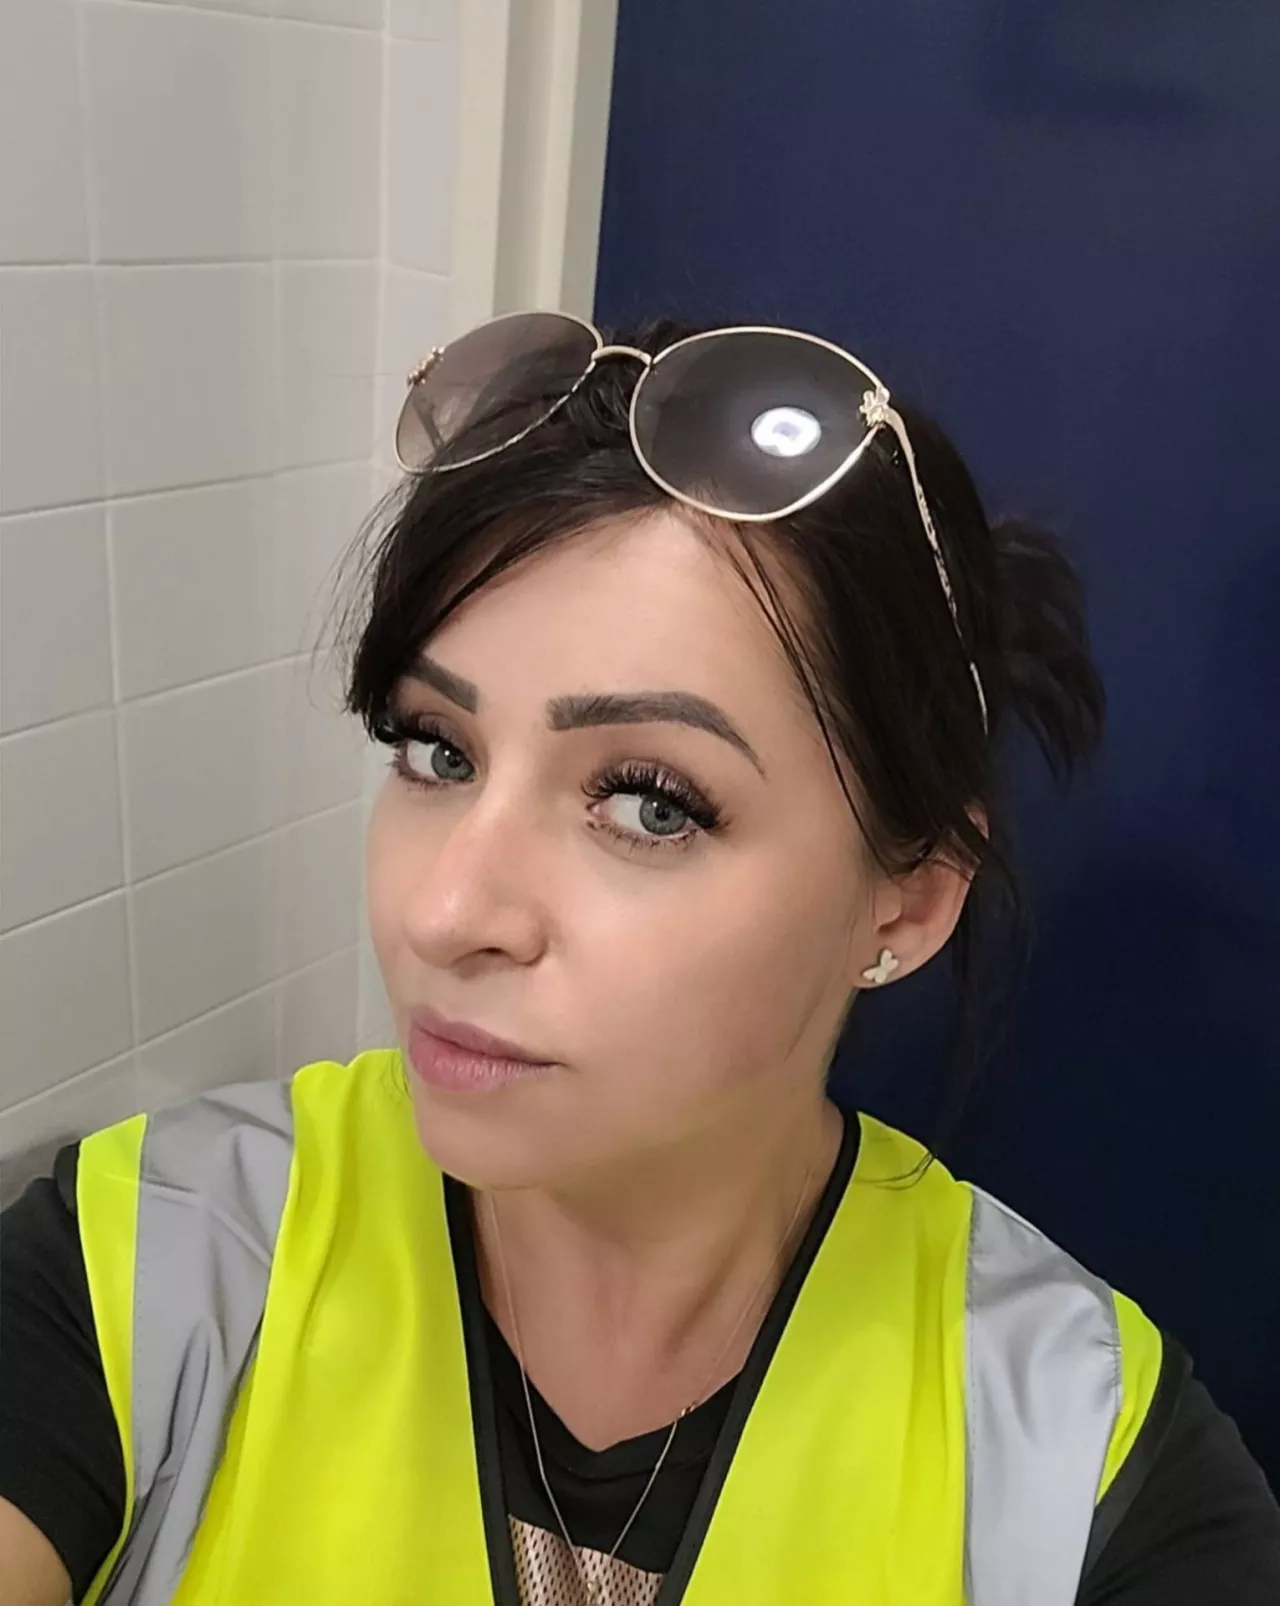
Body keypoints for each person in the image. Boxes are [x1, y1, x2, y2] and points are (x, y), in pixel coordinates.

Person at [2, 313, 1277, 1606]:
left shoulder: (1082, 1458)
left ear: (906, 903)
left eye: (650, 802)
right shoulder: (151, 1265)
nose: (446, 910)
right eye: (438, 749)